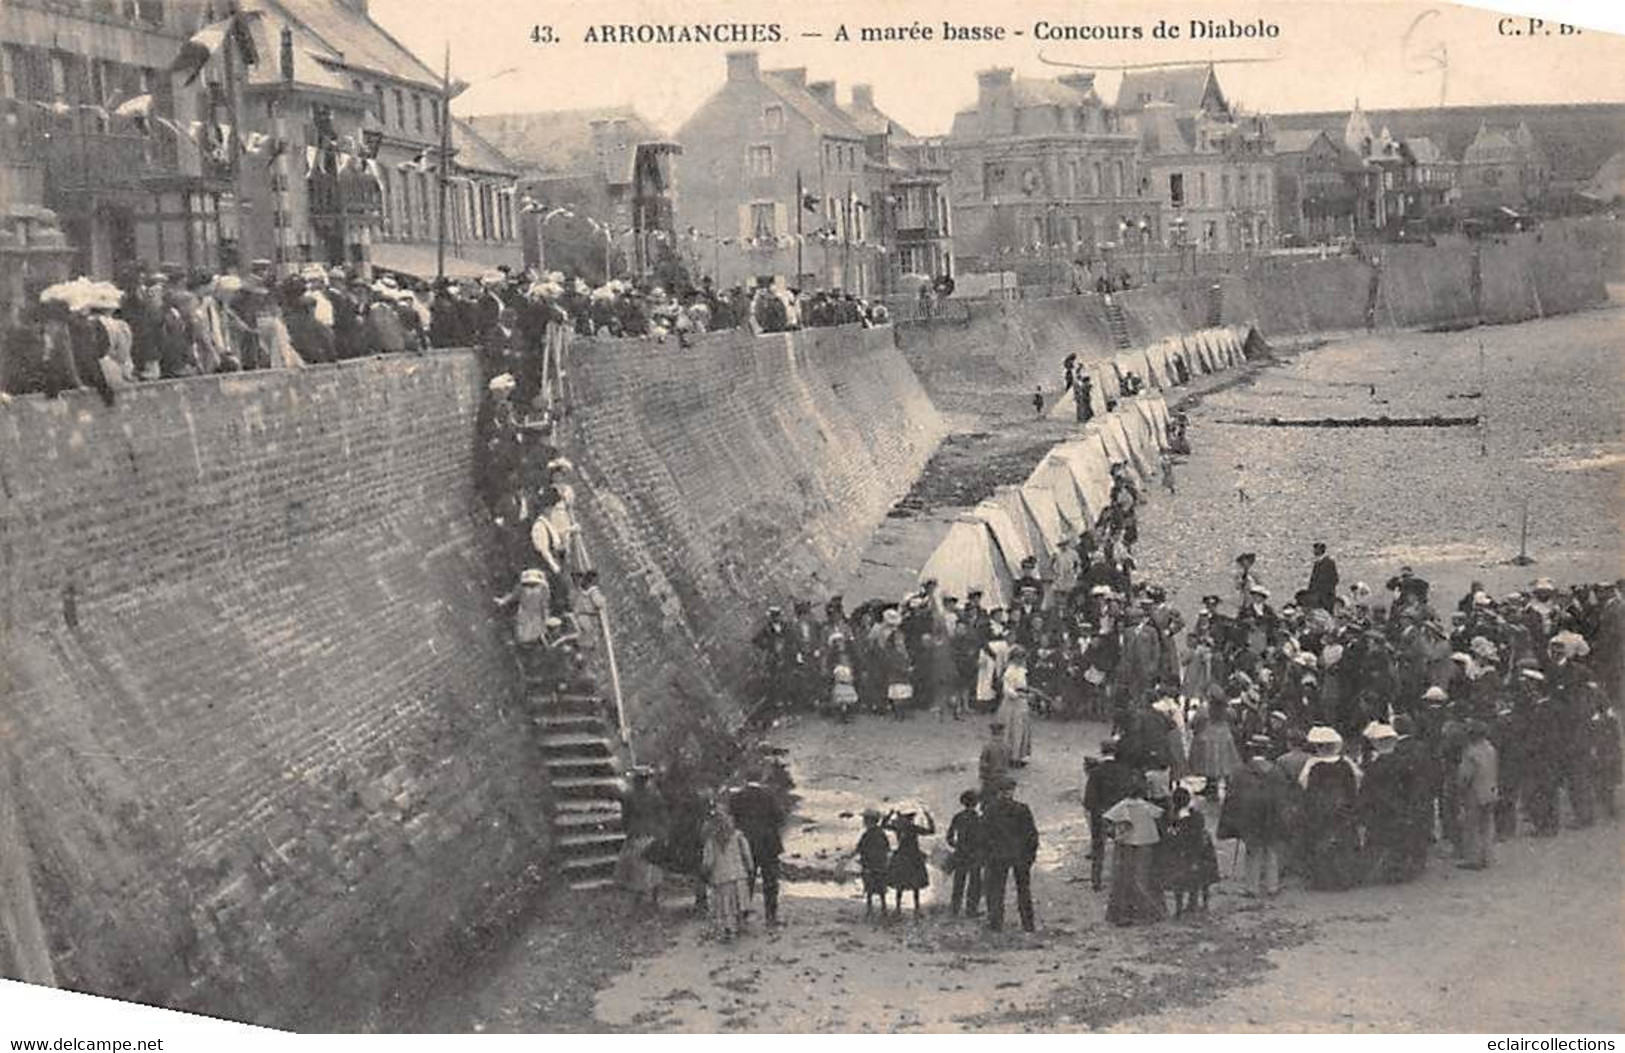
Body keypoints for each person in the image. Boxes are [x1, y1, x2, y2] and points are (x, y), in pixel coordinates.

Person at [1224, 735, 1291, 897]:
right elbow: (1283, 797)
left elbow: (1233, 797)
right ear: (1267, 751)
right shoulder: (1276, 772)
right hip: (1271, 816)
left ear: (1251, 750)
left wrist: (1233, 820)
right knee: (1271, 850)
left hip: (1250, 816)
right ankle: (1272, 887)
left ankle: (1251, 887)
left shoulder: (1241, 771)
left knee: (1252, 851)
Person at [1299, 726, 1363, 891]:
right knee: (1343, 843)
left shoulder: (1313, 765)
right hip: (1343, 808)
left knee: (1321, 844)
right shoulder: (1345, 763)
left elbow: (1304, 785)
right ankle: (1344, 878)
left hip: (1320, 810)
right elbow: (1355, 783)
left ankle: (1323, 880)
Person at [1103, 777, 1166, 926]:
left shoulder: (1122, 806)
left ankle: (1123, 914)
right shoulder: (1146, 806)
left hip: (1125, 845)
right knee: (1143, 878)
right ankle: (1146, 913)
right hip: (1145, 844)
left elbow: (1106, 821)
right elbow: (1161, 815)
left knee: (1123, 879)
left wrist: (1115, 834)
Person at [981, 777, 1039, 932]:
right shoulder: (1022, 809)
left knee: (996, 891)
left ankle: (996, 924)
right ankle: (1028, 924)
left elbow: (984, 836)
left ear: (998, 792)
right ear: (1012, 791)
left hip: (997, 856)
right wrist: (1031, 855)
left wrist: (987, 855)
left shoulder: (989, 810)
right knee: (1024, 890)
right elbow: (1032, 834)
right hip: (1020, 855)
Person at [729, 778, 785, 927]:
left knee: (746, 880)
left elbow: (731, 819)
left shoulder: (737, 797)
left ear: (746, 780)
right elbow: (780, 817)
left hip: (746, 843)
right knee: (770, 881)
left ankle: (743, 914)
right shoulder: (769, 795)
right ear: (761, 778)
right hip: (769, 844)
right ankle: (771, 916)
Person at [1082, 739, 1136, 891]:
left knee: (1098, 848)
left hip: (1100, 814)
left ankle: (1096, 881)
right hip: (1120, 813)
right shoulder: (1124, 770)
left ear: (1101, 751)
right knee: (1123, 847)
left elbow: (1088, 800)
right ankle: (1122, 881)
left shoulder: (1096, 772)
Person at [1162, 786, 1219, 916]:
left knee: (1180, 881)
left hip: (1183, 852)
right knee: (1201, 879)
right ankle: (1199, 904)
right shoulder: (1196, 815)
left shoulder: (1173, 817)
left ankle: (1180, 908)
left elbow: (1171, 835)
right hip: (1200, 851)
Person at [617, 766, 668, 909]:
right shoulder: (653, 794)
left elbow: (625, 816)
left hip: (640, 833)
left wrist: (627, 828)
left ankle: (642, 899)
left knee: (641, 866)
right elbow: (662, 815)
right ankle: (651, 898)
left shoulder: (631, 795)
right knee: (650, 866)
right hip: (648, 832)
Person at [701, 806, 754, 940]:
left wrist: (705, 873)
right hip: (738, 874)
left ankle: (727, 929)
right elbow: (747, 854)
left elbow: (709, 860)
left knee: (724, 906)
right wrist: (750, 868)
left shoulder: (711, 840)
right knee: (738, 903)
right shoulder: (738, 836)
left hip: (720, 876)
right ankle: (739, 926)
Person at [1455, 718, 1499, 870]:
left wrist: (1459, 788)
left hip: (1474, 792)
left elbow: (1465, 776)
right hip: (1490, 789)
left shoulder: (1470, 752)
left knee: (1472, 826)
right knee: (1487, 825)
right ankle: (1487, 856)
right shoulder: (1490, 748)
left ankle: (1474, 858)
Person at [884, 808, 935, 915]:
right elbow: (931, 831)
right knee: (913, 884)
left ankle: (899, 908)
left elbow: (884, 825)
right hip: (913, 857)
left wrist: (889, 814)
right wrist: (928, 817)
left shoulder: (899, 828)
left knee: (901, 883)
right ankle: (915, 907)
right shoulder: (913, 828)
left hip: (902, 857)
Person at [946, 790, 985, 916]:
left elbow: (949, 837)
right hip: (975, 855)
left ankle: (955, 909)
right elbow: (984, 838)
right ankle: (971, 910)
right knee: (974, 884)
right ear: (976, 803)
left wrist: (957, 846)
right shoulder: (979, 819)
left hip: (961, 854)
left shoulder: (958, 817)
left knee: (958, 883)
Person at [998, 646, 1034, 766]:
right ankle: (1011, 757)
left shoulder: (1022, 670)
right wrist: (1017, 695)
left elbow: (1024, 685)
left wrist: (1026, 693)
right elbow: (1007, 689)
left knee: (1022, 729)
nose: (1021, 661)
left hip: (1021, 703)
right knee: (1012, 730)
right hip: (1012, 704)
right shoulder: (1010, 671)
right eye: (1019, 658)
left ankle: (1019, 755)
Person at [854, 808, 892, 917]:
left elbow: (860, 847)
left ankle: (870, 910)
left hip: (869, 863)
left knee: (869, 887)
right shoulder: (881, 833)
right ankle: (883, 909)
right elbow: (887, 847)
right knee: (881, 888)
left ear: (869, 821)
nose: (864, 821)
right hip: (880, 863)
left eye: (865, 819)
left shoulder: (867, 834)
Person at [979, 721, 1013, 799]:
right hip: (1004, 776)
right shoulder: (1007, 746)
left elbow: (983, 764)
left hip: (991, 778)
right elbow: (1010, 762)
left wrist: (982, 777)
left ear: (992, 734)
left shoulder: (988, 746)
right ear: (1002, 734)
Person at [1307, 542, 1340, 612]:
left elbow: (1335, 578)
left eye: (1316, 549)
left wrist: (1327, 590)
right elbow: (1313, 580)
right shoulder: (1317, 563)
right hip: (1317, 596)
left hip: (1326, 596)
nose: (1314, 551)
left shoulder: (1329, 562)